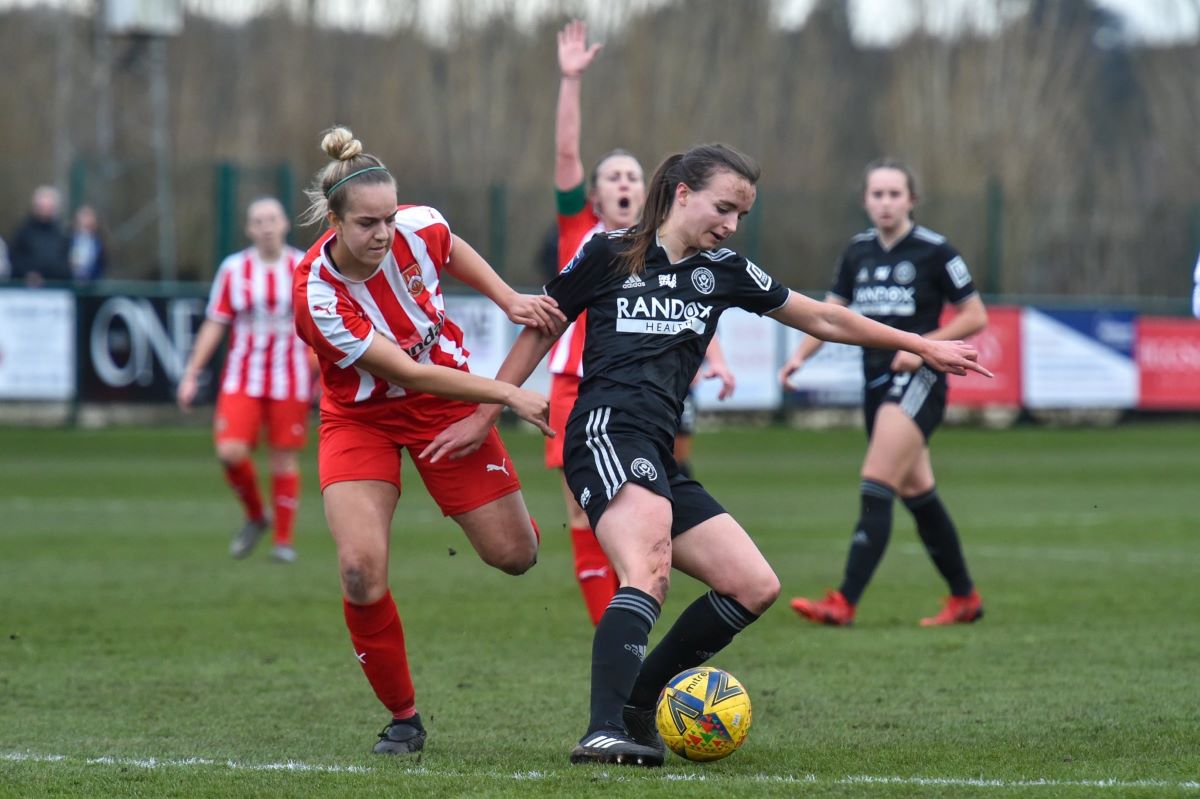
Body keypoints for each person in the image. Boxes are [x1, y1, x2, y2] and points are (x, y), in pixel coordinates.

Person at [446, 143, 989, 766]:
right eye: (724, 208)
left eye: (741, 215)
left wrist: (920, 343)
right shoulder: (607, 252)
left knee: (754, 585)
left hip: (657, 450)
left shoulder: (724, 270)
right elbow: (543, 327)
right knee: (649, 567)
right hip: (604, 431)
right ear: (682, 193)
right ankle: (601, 729)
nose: (731, 225)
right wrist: (489, 410)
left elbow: (825, 319)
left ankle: (637, 704)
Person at [291, 126, 564, 755]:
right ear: (333, 222)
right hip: (361, 420)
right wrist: (507, 394)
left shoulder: (418, 226)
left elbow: (451, 245)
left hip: (442, 405)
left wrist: (507, 299)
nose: (383, 233)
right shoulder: (317, 294)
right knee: (360, 570)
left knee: (516, 556)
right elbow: (405, 372)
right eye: (366, 224)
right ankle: (404, 717)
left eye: (388, 218)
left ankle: (506, 514)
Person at [549, 20, 734, 625]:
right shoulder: (585, 237)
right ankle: (612, 619)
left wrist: (719, 358)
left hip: (649, 386)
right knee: (583, 511)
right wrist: (571, 81)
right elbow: (567, 155)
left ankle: (634, 599)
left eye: (633, 174)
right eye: (612, 177)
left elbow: (691, 309)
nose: (624, 183)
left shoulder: (668, 249)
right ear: (594, 196)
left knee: (657, 495)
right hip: (576, 384)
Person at [782, 158, 990, 628]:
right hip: (875, 381)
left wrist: (924, 349)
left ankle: (844, 601)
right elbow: (828, 314)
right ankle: (965, 598)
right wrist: (800, 356)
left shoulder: (936, 251)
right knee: (918, 491)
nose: (885, 202)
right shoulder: (857, 252)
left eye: (895, 194)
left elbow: (974, 314)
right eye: (877, 194)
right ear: (865, 201)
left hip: (919, 378)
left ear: (911, 200)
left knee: (877, 479)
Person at [177, 197, 311, 564]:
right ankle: (256, 515)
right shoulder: (234, 269)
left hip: (291, 377)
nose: (266, 226)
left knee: (283, 458)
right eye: (258, 221)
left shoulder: (303, 266)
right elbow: (215, 322)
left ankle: (283, 542)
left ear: (285, 224)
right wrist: (192, 374)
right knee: (229, 451)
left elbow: (318, 325)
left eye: (272, 219)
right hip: (243, 376)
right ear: (249, 229)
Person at [10, 185, 70, 285]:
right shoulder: (22, 233)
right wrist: (28, 274)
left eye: (49, 207)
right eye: (42, 206)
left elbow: (65, 265)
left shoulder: (62, 235)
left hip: (55, 290)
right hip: (25, 292)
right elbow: (15, 260)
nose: (45, 211)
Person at [69, 204, 107, 282]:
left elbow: (102, 266)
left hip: (92, 285)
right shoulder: (68, 241)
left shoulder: (100, 243)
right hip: (71, 284)